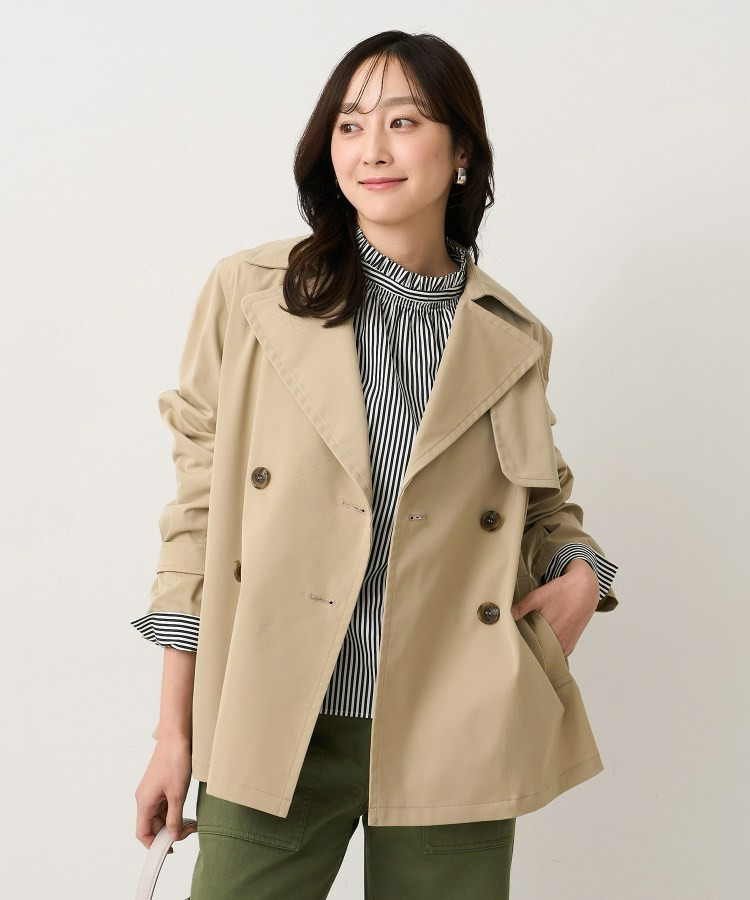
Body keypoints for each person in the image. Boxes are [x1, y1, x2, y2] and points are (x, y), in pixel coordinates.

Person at [132, 30, 619, 899]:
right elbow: (199, 516)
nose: (373, 150)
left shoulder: (512, 336)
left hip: (453, 721)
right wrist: (174, 732)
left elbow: (544, 506)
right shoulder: (252, 294)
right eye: (350, 125)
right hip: (277, 716)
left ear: (461, 151)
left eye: (404, 121)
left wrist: (583, 573)